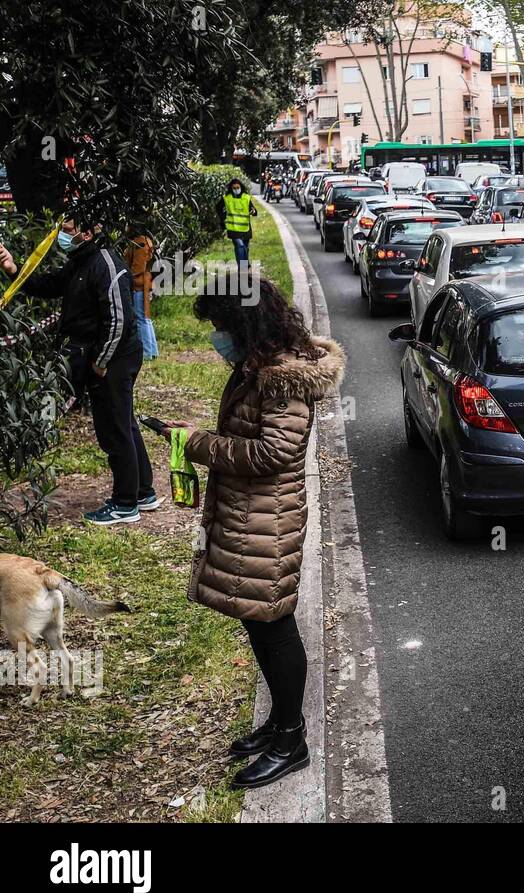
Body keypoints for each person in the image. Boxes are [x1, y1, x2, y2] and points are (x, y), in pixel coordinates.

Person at [169, 277, 344, 789]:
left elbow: (274, 453)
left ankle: (292, 741)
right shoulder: (259, 367)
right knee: (258, 622)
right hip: (250, 517)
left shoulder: (281, 378)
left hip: (267, 519)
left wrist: (198, 444)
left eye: (222, 326)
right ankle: (278, 723)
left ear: (246, 324)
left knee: (274, 624)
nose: (217, 336)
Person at [0, 220, 157, 525]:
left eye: (68, 229)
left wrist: (100, 363)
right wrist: (12, 268)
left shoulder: (105, 264)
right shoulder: (82, 260)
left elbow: (120, 323)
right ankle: (142, 491)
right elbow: (50, 286)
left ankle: (125, 504)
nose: (62, 235)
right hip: (107, 356)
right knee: (123, 421)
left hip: (114, 358)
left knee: (114, 428)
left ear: (88, 231)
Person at [124, 229, 158, 359]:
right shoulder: (143, 241)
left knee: (141, 319)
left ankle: (147, 352)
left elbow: (137, 267)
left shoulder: (140, 243)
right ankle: (152, 350)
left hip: (139, 285)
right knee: (145, 318)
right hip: (143, 284)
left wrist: (126, 278)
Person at [218, 178, 257, 263]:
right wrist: (223, 218)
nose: (236, 190)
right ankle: (243, 269)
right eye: (234, 188)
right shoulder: (227, 198)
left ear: (241, 187)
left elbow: (254, 210)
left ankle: (245, 265)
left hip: (246, 228)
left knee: (245, 248)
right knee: (240, 246)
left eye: (238, 187)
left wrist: (253, 211)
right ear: (231, 189)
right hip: (233, 228)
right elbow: (218, 208)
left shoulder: (246, 197)